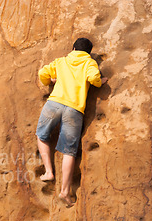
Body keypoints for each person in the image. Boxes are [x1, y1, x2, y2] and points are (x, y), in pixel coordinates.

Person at [36, 38, 107, 205]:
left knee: (41, 135)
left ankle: (48, 172)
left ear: (73, 48)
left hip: (54, 103)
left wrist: (51, 81)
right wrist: (99, 82)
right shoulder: (89, 63)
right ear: (88, 53)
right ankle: (65, 192)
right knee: (69, 151)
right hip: (74, 109)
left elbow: (42, 74)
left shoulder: (61, 61)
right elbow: (94, 78)